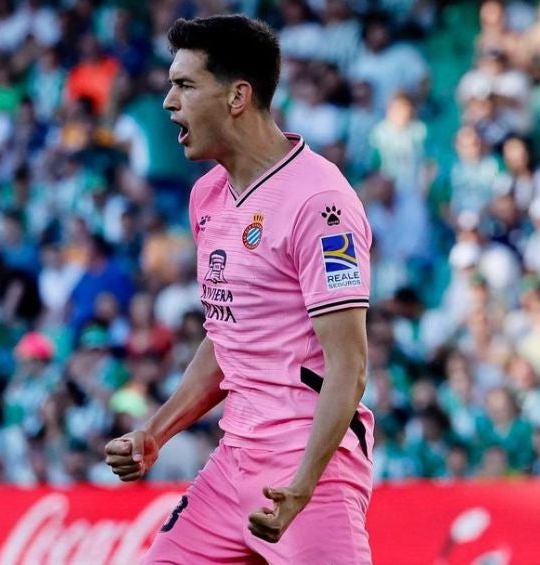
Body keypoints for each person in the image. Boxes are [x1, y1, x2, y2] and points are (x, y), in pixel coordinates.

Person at [104, 15, 374, 564]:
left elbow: (349, 365)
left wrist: (301, 485)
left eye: (184, 85)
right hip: (234, 462)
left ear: (237, 97)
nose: (167, 103)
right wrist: (156, 432)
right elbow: (228, 338)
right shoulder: (208, 196)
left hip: (308, 469)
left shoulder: (321, 205)